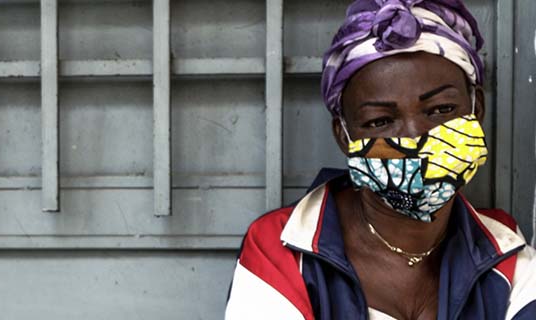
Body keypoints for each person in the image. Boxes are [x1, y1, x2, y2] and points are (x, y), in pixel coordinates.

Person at [225, 0, 536, 319]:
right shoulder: (283, 249)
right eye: (380, 121)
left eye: (441, 110)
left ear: (475, 108)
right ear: (344, 136)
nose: (415, 137)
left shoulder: (506, 251)